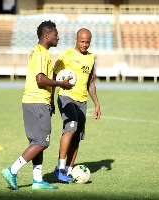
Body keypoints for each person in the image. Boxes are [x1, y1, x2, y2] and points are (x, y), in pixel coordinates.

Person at [1, 20, 73, 190]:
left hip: (35, 101)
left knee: (37, 142)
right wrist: (61, 84)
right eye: (56, 34)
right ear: (47, 35)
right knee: (42, 142)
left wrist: (51, 100)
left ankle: (37, 180)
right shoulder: (41, 53)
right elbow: (40, 79)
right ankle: (12, 170)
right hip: (37, 101)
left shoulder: (38, 51)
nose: (58, 37)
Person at [53, 28, 101, 182]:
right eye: (82, 41)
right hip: (66, 97)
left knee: (77, 137)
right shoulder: (66, 55)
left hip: (82, 101)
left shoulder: (91, 58)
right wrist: (50, 100)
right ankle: (60, 168)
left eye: (88, 42)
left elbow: (90, 82)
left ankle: (68, 170)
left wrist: (97, 104)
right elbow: (54, 77)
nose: (85, 44)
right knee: (71, 127)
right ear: (76, 39)